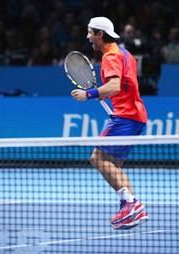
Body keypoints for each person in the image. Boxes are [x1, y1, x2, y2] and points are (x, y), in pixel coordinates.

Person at [71, 17, 149, 230]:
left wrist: (89, 94)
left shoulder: (110, 56)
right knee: (113, 166)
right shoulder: (125, 54)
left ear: (100, 34)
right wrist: (105, 95)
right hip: (135, 115)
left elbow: (113, 86)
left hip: (126, 116)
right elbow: (123, 85)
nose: (88, 37)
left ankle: (133, 204)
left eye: (90, 32)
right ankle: (129, 206)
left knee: (97, 158)